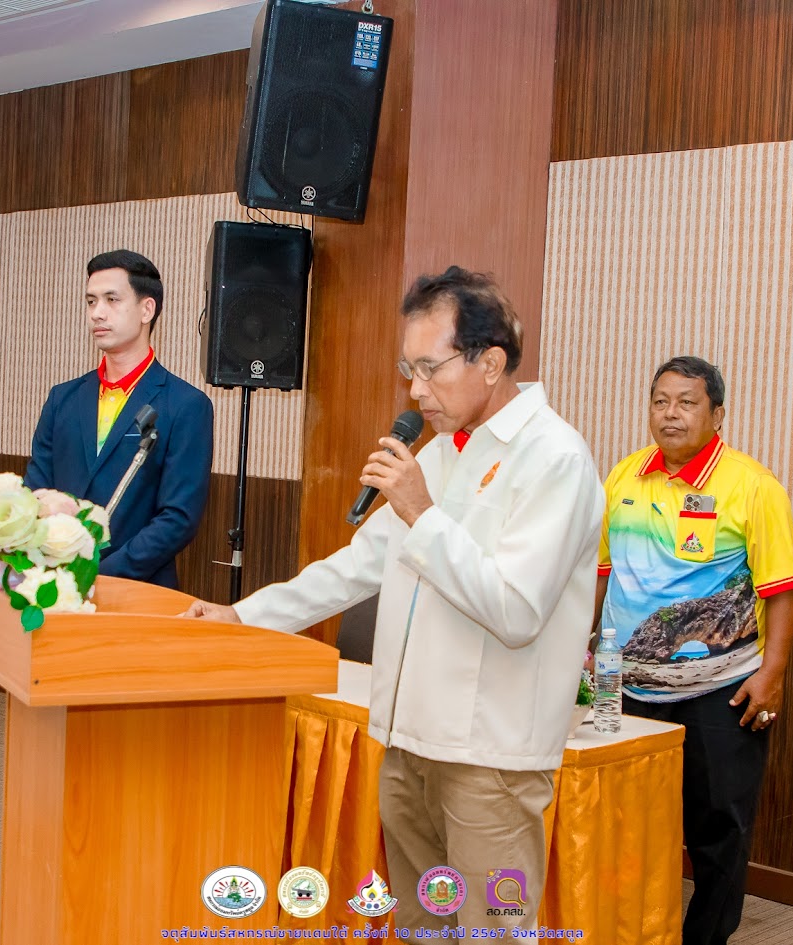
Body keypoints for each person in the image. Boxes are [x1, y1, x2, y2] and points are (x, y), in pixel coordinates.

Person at [182, 267, 602, 931]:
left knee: (491, 930)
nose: (415, 390)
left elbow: (517, 611)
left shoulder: (553, 458)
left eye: (431, 368)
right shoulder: (440, 453)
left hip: (489, 757)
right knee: (422, 923)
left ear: (491, 363)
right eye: (410, 368)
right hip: (409, 742)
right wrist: (244, 615)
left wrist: (421, 514)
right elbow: (356, 566)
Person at [595, 355, 793, 945]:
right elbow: (601, 574)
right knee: (626, 822)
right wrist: (581, 653)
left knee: (718, 827)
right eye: (661, 401)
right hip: (622, 685)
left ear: (717, 414)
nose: (671, 414)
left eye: (687, 403)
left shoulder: (753, 486)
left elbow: (784, 591)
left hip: (721, 688)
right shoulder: (624, 475)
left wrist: (773, 675)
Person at [25, 250, 213, 590]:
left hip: (137, 591)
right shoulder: (62, 399)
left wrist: (97, 575)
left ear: (146, 309)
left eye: (112, 300)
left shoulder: (185, 405)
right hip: (51, 585)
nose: (97, 313)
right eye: (91, 301)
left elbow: (178, 518)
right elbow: (35, 491)